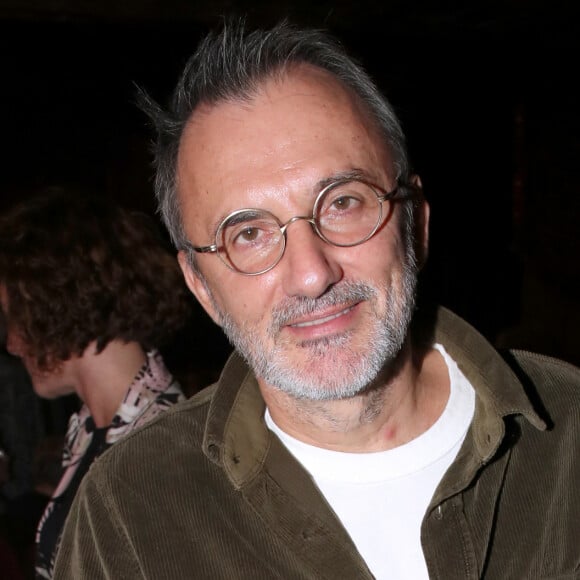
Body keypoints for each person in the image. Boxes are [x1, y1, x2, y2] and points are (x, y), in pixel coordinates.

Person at [53, 21, 580, 579]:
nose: (310, 274)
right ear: (202, 286)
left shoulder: (568, 434)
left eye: (343, 202)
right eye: (248, 234)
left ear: (415, 225)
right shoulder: (129, 513)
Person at [0, 189, 192, 578]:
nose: (12, 344)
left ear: (56, 302)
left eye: (14, 318)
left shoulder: (160, 452)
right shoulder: (91, 434)